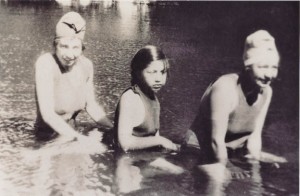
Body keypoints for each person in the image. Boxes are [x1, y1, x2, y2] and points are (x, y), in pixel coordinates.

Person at [186, 30, 287, 165]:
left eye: (274, 68)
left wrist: (255, 175)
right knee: (221, 178)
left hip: (231, 152)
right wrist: (229, 167)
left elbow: (254, 138)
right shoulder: (225, 88)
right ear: (248, 66)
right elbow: (216, 141)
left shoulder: (266, 91)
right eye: (263, 67)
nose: (269, 75)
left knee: (282, 164)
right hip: (200, 151)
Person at [34, 12, 113, 142]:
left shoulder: (86, 65)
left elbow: (90, 105)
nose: (70, 55)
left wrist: (113, 129)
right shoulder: (45, 64)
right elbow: (48, 115)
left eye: (75, 47)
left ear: (82, 48)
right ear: (55, 46)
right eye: (64, 46)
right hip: (47, 137)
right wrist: (81, 140)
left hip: (73, 133)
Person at [113, 45, 179, 152]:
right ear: (138, 73)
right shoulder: (130, 98)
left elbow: (155, 141)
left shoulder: (153, 99)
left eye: (162, 72)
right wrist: (161, 140)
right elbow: (124, 143)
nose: (158, 79)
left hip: (143, 156)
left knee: (181, 166)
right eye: (152, 72)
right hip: (125, 160)